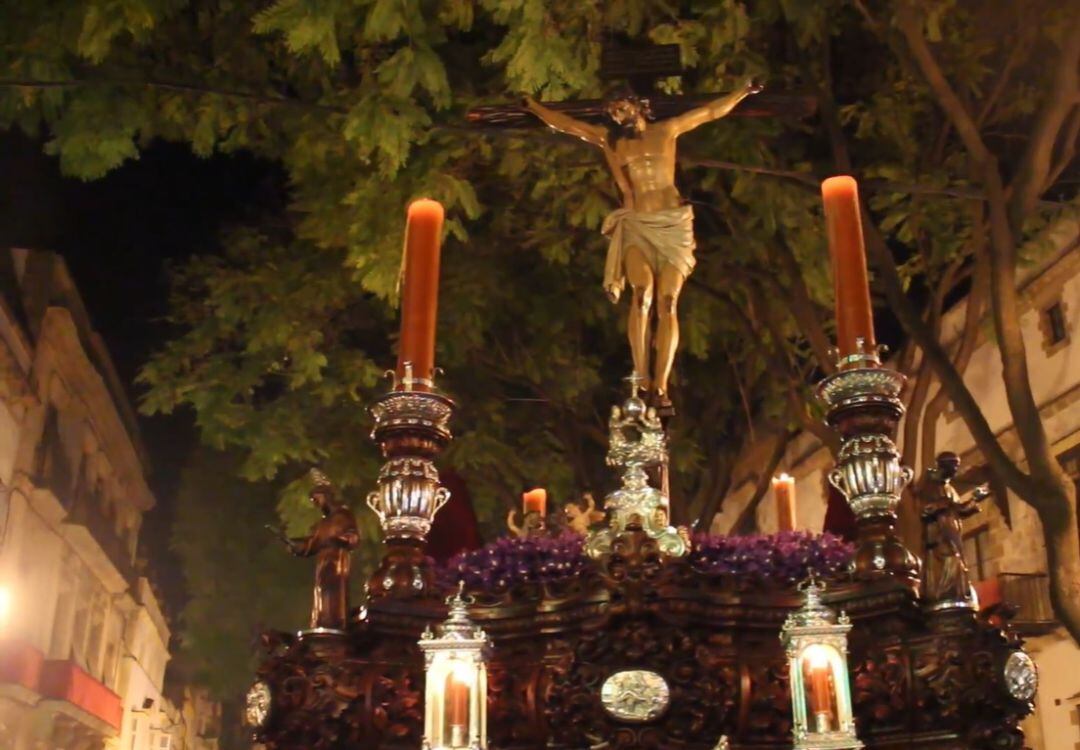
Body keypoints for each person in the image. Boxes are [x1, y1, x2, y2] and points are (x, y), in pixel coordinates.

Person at [524, 78, 762, 409]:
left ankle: (661, 386)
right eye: (611, 113)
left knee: (667, 302)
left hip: (673, 226)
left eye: (620, 108)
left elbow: (709, 112)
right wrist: (534, 107)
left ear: (636, 104)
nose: (617, 116)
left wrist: (742, 92)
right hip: (637, 224)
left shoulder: (666, 131)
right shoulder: (612, 141)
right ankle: (640, 376)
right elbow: (569, 125)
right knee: (641, 294)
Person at [287, 470, 360, 630]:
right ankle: (323, 623)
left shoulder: (343, 515)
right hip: (323, 564)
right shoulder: (322, 524)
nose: (315, 503)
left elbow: (353, 538)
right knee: (322, 596)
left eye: (316, 498)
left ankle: (336, 624)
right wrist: (295, 545)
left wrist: (339, 539)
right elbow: (311, 545)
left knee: (334, 597)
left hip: (338, 562)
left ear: (326, 496)